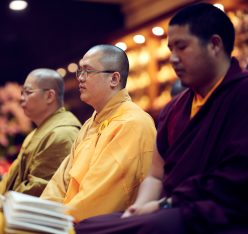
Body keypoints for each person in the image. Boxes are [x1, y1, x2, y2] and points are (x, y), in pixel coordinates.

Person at [75, 3, 248, 234]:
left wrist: (165, 204)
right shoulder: (174, 108)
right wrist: (139, 206)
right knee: (88, 225)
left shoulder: (242, 95)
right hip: (172, 209)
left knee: (149, 227)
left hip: (219, 214)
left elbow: (234, 182)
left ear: (215, 44)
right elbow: (156, 175)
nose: (173, 59)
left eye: (182, 47)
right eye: (170, 49)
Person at [0, 68, 81, 233]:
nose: (21, 99)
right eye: (22, 93)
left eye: (28, 93)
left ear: (49, 96)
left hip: (36, 219)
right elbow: (7, 181)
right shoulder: (37, 132)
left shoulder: (63, 134)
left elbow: (40, 190)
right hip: (15, 208)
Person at [40, 44, 156, 222]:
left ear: (114, 79)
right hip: (64, 220)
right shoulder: (90, 123)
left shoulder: (133, 123)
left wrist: (55, 222)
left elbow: (98, 199)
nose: (81, 78)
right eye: (80, 72)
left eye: (88, 71)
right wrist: (40, 216)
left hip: (91, 226)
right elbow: (59, 182)